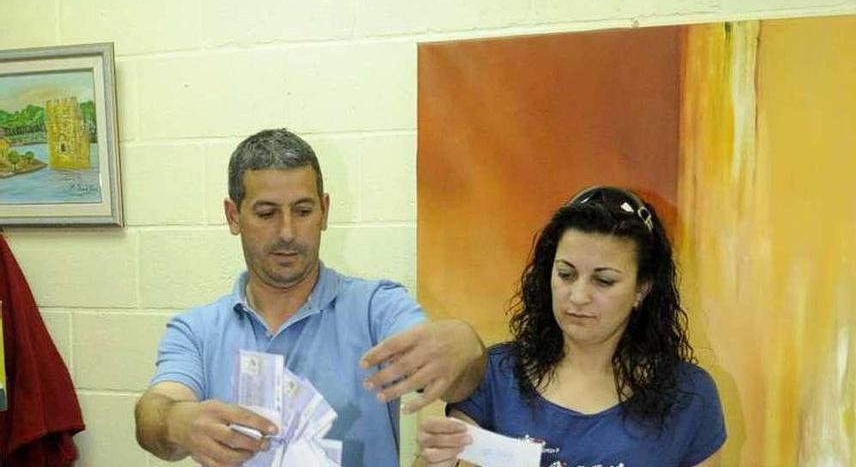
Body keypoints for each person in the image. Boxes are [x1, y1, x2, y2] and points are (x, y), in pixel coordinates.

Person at [135, 129, 486, 467]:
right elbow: (153, 414)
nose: (287, 232)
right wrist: (177, 422)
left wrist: (466, 347)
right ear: (232, 216)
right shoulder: (197, 330)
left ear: (324, 210)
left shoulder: (376, 307)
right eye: (266, 213)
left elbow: (456, 380)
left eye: (303, 211)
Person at [416, 186, 726, 467]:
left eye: (604, 281)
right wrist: (434, 461)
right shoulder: (496, 376)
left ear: (642, 289)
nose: (577, 297)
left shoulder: (689, 396)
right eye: (566, 274)